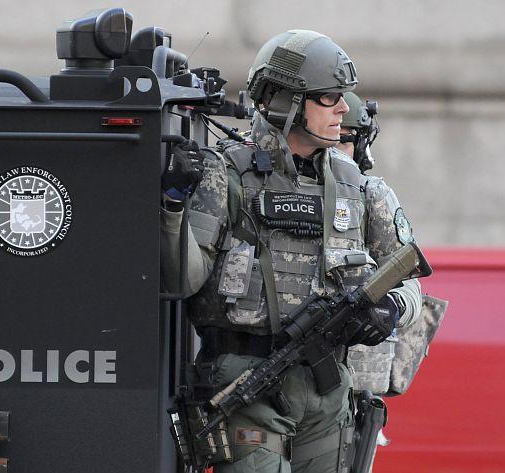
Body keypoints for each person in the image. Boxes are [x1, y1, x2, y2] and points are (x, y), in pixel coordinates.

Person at [161, 30, 422, 473]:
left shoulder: (354, 184)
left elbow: (409, 278)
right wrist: (170, 208)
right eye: (328, 97)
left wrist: (392, 309)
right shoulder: (224, 174)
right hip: (246, 384)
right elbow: (179, 280)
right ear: (285, 100)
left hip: (328, 392)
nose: (343, 108)